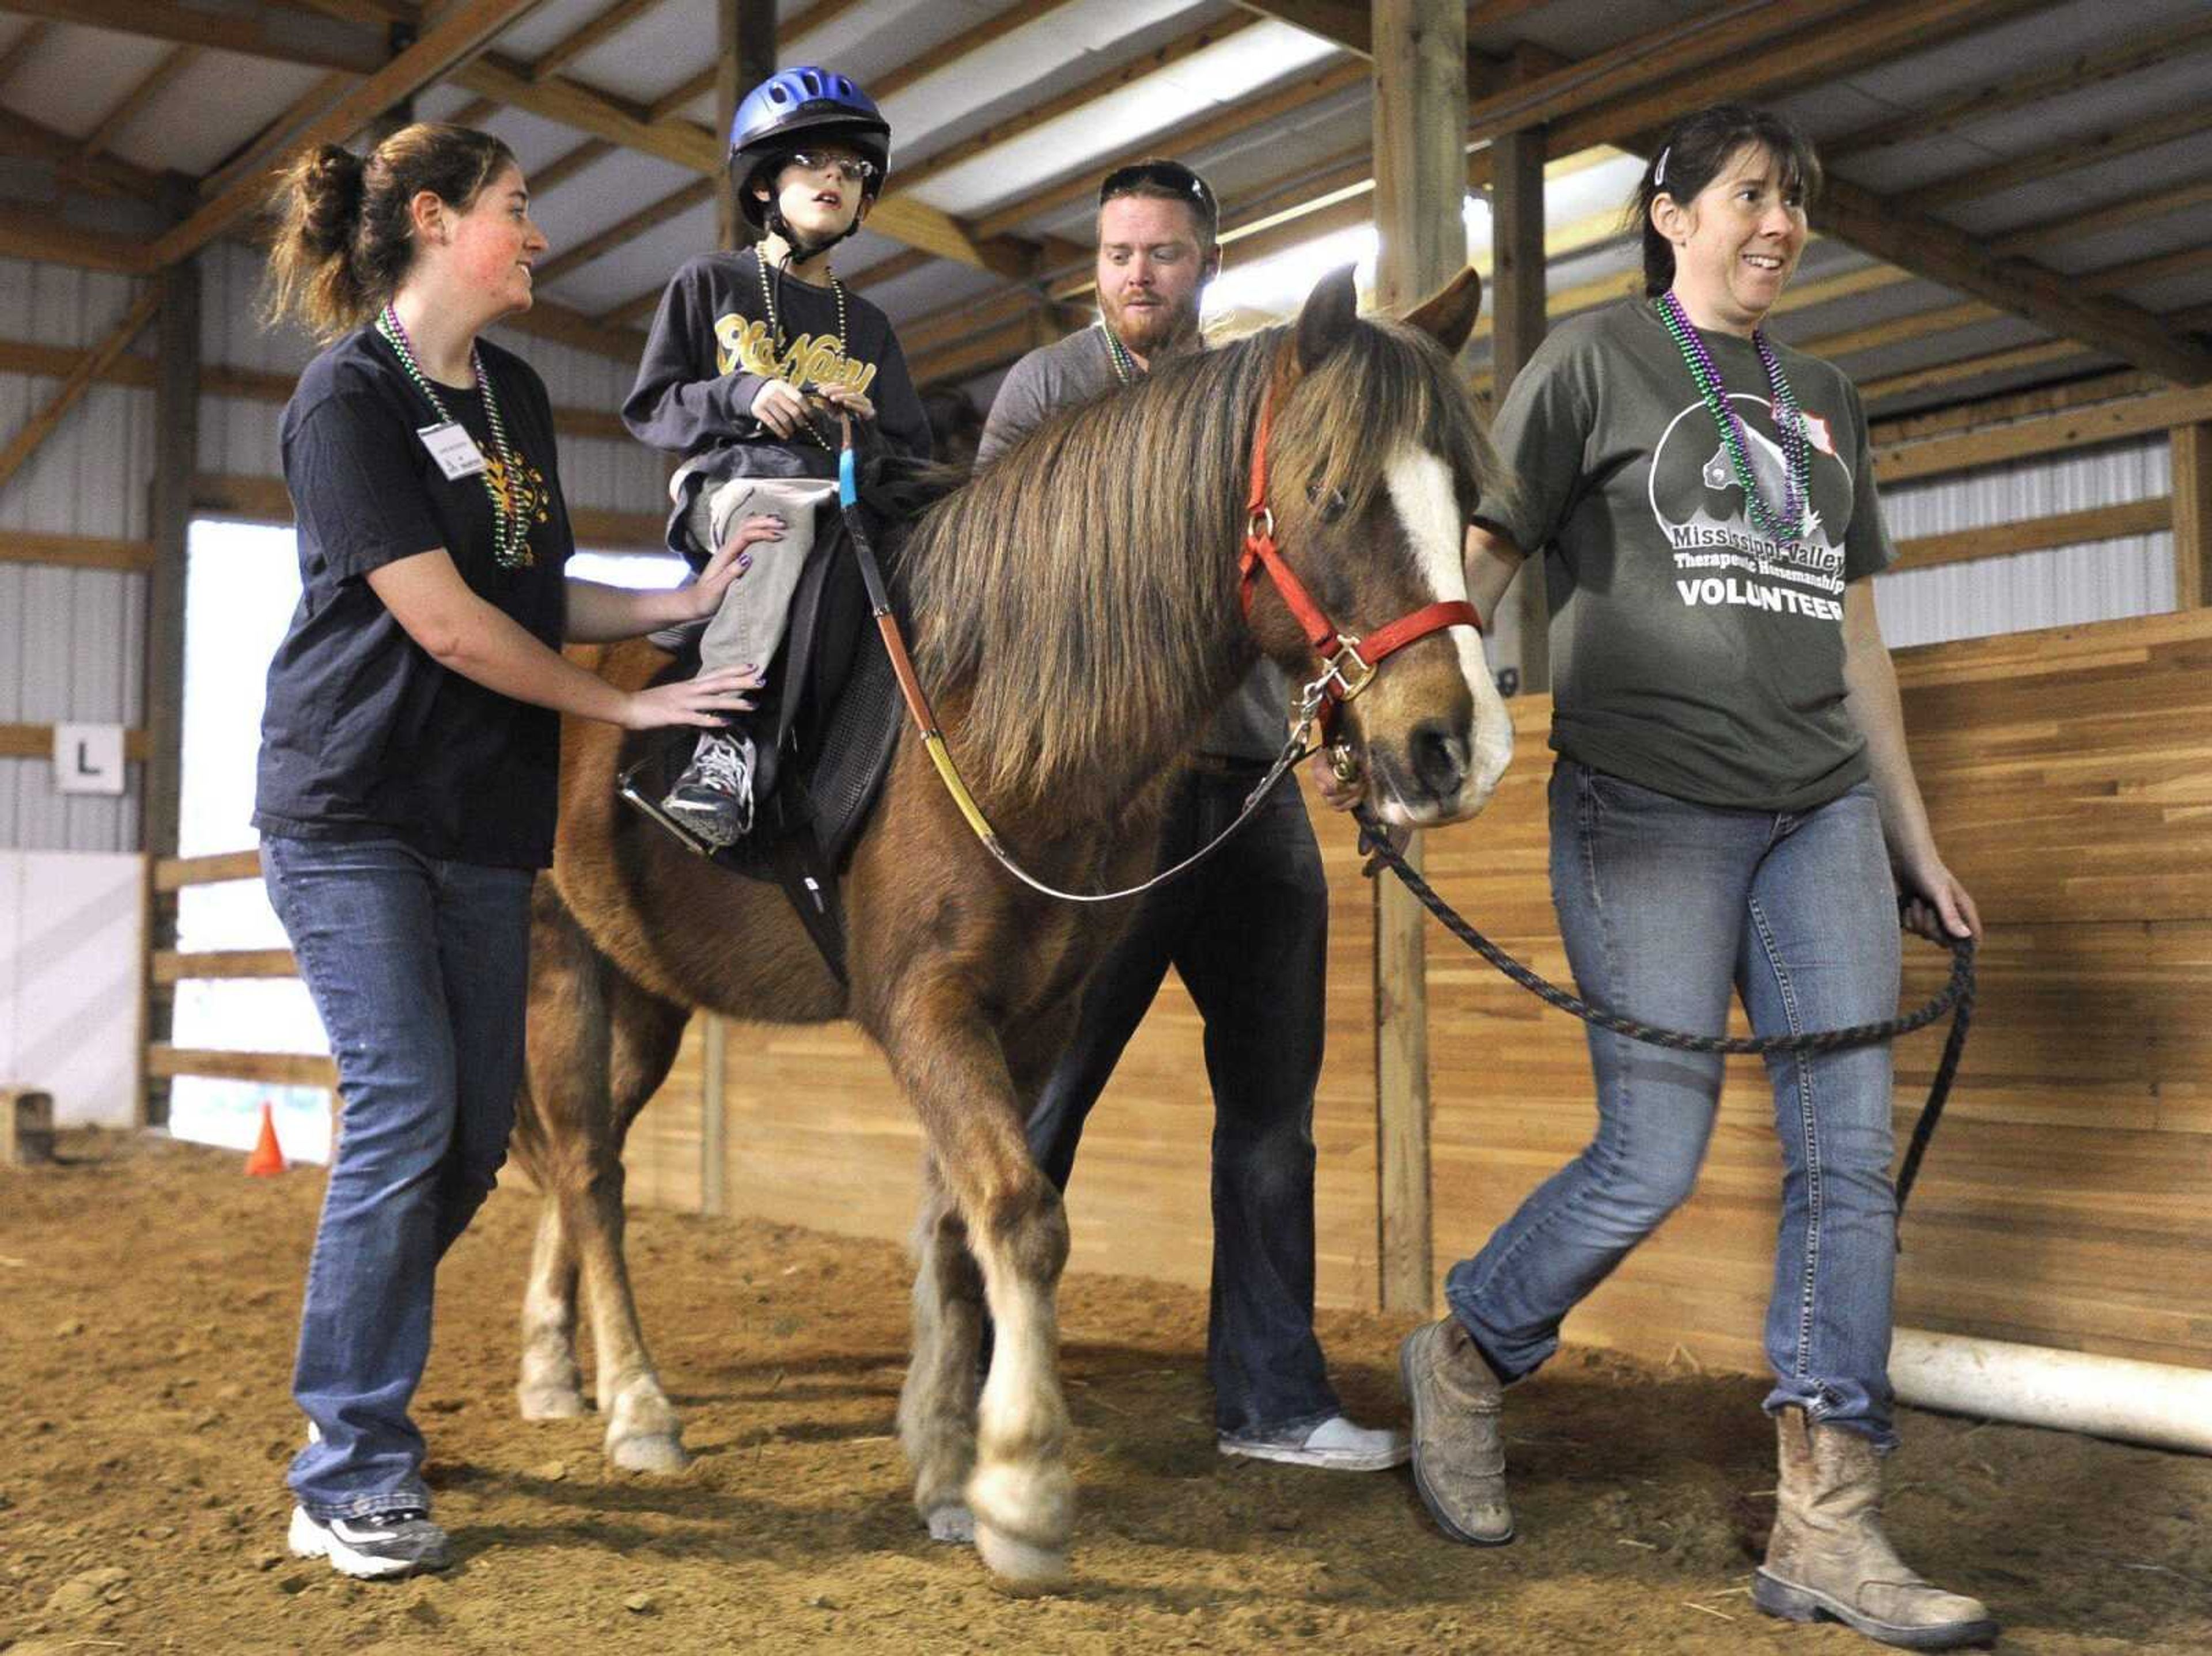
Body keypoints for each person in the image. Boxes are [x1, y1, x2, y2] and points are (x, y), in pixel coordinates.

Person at [1336, 105, 1996, 1649]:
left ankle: (1830, 1523)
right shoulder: (1590, 362)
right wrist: (1398, 720)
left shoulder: (1827, 397)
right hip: (1649, 811)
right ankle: (1469, 1353)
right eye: (1753, 196)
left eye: (1799, 204)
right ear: (1671, 211)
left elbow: (1853, 637)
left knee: (1848, 1160)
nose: (1782, 223)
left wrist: (1914, 836)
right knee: (1655, 1151)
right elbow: (1486, 563)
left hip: (1819, 813)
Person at [256, 124, 761, 1580]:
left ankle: (362, 1368)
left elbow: (537, 593)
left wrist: (685, 597)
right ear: (433, 219)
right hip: (351, 810)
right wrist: (626, 701)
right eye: (518, 210)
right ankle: (349, 1457)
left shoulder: (520, 398)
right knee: (407, 1100)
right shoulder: (346, 398)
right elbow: (446, 621)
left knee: (480, 1136)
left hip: (483, 823)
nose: (539, 238)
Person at [975, 160, 1407, 1474]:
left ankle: (1273, 1398)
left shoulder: (1262, 399)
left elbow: (1309, 581)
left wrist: (1337, 725)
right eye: (1117, 254)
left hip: (1248, 794)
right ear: (1094, 266)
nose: (1139, 274)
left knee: (1274, 1114)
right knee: (1043, 1108)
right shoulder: (1049, 391)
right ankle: (984, 1376)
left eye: (1164, 252)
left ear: (1208, 261)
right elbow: (991, 574)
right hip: (1106, 807)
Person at [625, 65, 931, 847]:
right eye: (813, 160)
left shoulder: (869, 326)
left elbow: (917, 455)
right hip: (734, 495)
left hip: (843, 496)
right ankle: (722, 744)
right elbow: (652, 407)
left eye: (853, 169)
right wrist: (741, 394)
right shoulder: (711, 284)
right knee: (777, 520)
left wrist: (869, 430)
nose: (835, 175)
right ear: (763, 184)